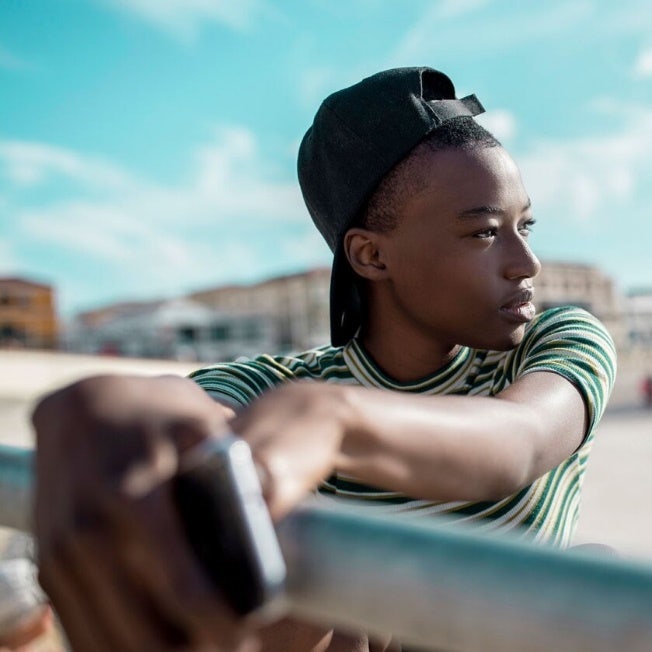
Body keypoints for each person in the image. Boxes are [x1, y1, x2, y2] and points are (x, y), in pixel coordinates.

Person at [32, 67, 616, 652]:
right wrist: (110, 405)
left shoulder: (554, 342)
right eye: (485, 232)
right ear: (371, 255)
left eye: (525, 225)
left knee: (604, 581)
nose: (527, 263)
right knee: (307, 601)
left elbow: (521, 440)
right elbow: (186, 406)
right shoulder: (283, 387)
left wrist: (333, 419)